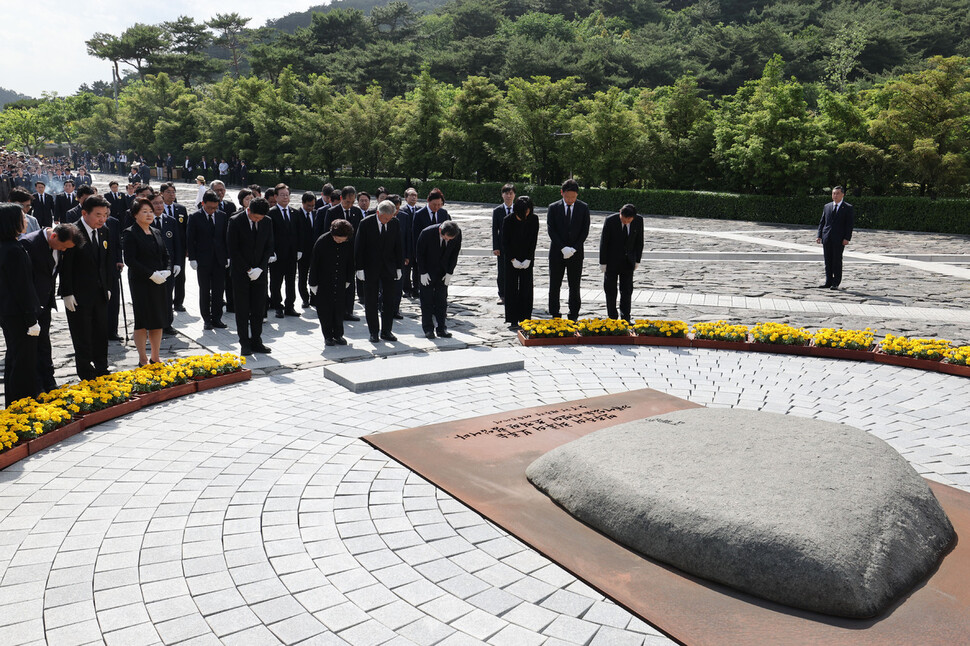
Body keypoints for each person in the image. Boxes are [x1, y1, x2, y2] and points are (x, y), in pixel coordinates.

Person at [21, 223, 81, 392]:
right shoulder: (29, 243)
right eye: (62, 247)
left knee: (44, 343)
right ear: (54, 236)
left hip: (45, 301)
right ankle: (36, 384)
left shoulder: (60, 246)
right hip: (30, 303)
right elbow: (24, 279)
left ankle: (49, 381)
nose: (63, 251)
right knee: (32, 346)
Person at [59, 195, 112, 381]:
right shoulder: (73, 231)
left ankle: (102, 367)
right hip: (79, 295)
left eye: (105, 214)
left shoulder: (104, 230)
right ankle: (86, 373)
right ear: (84, 213)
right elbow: (66, 266)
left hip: (99, 292)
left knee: (101, 332)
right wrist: (66, 292)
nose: (102, 219)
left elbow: (104, 263)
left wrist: (106, 286)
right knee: (83, 334)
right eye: (98, 214)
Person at [0, 203, 41, 406]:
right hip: (19, 314)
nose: (26, 221)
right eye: (23, 218)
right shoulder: (15, 250)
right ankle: (23, 404)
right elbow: (22, 287)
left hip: (8, 312)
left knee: (14, 358)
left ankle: (13, 403)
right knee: (24, 361)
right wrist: (31, 318)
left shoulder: (7, 246)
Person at [124, 198, 170, 366]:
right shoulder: (130, 233)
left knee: (158, 319)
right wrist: (150, 274)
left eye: (150, 211)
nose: (149, 214)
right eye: (144, 211)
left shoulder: (156, 231)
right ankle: (143, 358)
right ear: (135, 215)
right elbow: (130, 260)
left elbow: (166, 255)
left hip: (159, 281)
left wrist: (168, 269)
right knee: (142, 320)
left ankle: (155, 356)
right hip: (141, 282)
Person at [227, 197, 275, 355]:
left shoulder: (267, 221)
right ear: (249, 210)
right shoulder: (235, 221)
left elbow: (269, 246)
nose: (258, 220)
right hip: (241, 272)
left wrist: (261, 268)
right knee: (242, 309)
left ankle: (257, 340)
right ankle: (244, 342)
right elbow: (233, 249)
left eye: (260, 218)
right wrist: (248, 269)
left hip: (260, 273)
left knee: (258, 308)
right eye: (255, 217)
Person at [355, 200, 403, 343]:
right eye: (384, 218)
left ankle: (386, 331)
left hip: (388, 268)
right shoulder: (365, 223)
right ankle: (373, 332)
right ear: (378, 213)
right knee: (371, 301)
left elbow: (398, 246)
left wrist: (399, 267)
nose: (387, 221)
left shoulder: (395, 223)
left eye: (390, 218)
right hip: (370, 268)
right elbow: (359, 247)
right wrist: (359, 268)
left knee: (389, 300)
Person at [547, 178, 590, 321]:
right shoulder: (553, 207)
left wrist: (573, 248)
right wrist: (562, 247)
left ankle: (574, 314)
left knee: (574, 284)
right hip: (557, 252)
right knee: (555, 284)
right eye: (567, 196)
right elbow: (551, 230)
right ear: (562, 193)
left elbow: (584, 231)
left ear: (577, 195)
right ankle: (555, 313)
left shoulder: (583, 208)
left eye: (573, 197)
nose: (570, 199)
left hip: (576, 253)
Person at [309, 219, 355, 346]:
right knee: (325, 310)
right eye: (338, 239)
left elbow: (351, 263)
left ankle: (338, 334)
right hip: (324, 281)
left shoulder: (348, 242)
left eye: (343, 239)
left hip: (340, 280)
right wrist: (313, 283)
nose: (340, 241)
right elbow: (314, 264)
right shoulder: (322, 242)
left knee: (339, 309)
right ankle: (328, 336)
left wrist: (348, 279)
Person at [187, 190, 229, 330]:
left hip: (219, 259)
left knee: (218, 290)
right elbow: (190, 239)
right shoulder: (194, 217)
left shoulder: (222, 216)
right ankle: (207, 319)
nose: (212, 210)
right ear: (203, 203)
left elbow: (225, 238)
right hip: (203, 260)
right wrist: (192, 258)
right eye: (210, 207)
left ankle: (217, 318)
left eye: (215, 207)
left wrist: (227, 256)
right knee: (205, 290)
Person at [415, 220, 461, 339]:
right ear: (441, 231)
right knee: (427, 301)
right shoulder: (426, 233)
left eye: (450, 239)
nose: (448, 241)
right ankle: (428, 329)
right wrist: (423, 272)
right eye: (446, 238)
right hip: (428, 271)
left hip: (443, 272)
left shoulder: (457, 234)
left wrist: (449, 272)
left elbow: (454, 254)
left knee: (442, 301)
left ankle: (441, 328)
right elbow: (419, 254)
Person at [599, 203, 644, 322]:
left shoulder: (639, 220)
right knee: (610, 290)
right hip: (611, 261)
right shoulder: (610, 220)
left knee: (627, 290)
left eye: (629, 220)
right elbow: (604, 242)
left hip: (628, 261)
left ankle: (625, 317)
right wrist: (603, 262)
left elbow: (639, 241)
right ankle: (612, 317)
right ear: (620, 213)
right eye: (624, 219)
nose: (626, 222)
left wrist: (637, 260)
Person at [325, 186, 364, 320]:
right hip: (336, 252)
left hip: (351, 253)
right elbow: (327, 233)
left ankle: (348, 311)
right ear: (341, 198)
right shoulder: (332, 212)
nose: (350, 205)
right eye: (347, 202)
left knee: (350, 282)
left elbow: (359, 233)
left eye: (353, 202)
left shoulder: (356, 212)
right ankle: (336, 310)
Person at [502, 195, 539, 329]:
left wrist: (529, 258)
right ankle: (512, 319)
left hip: (527, 259)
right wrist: (512, 259)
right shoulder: (508, 220)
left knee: (526, 288)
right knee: (511, 287)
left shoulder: (534, 219)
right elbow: (505, 242)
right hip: (512, 259)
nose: (526, 214)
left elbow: (533, 241)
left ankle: (525, 318)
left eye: (528, 211)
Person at [268, 183, 303, 318]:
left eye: (287, 195)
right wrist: (271, 252)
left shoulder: (295, 213)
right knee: (276, 282)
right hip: (277, 255)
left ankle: (290, 306)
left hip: (291, 254)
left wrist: (299, 249)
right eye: (282, 195)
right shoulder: (271, 213)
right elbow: (269, 235)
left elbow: (300, 233)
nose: (285, 197)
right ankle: (277, 306)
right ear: (276, 197)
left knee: (290, 281)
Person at [150, 192, 182, 336]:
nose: (159, 206)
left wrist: (178, 263)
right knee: (154, 297)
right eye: (155, 203)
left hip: (168, 266)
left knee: (168, 295)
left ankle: (167, 324)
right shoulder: (147, 221)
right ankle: (155, 324)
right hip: (152, 266)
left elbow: (177, 243)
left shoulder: (171, 221)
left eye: (161, 202)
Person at [816, 186, 854, 290]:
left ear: (843, 195)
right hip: (827, 237)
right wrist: (819, 235)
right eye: (833, 193)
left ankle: (836, 282)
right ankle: (828, 281)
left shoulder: (847, 208)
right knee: (827, 260)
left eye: (837, 193)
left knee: (836, 260)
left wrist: (847, 238)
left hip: (839, 238)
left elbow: (849, 224)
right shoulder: (827, 206)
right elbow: (822, 222)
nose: (835, 195)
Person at [159, 183, 188, 312]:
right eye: (168, 192)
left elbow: (186, 230)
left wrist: (187, 248)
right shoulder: (158, 209)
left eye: (173, 192)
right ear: (162, 193)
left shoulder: (181, 209)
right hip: (164, 248)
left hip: (179, 248)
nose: (172, 195)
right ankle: (167, 301)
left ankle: (179, 302)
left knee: (180, 276)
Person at [492, 183, 515, 305]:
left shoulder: (518, 209)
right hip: (501, 246)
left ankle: (513, 294)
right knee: (502, 271)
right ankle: (502, 294)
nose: (509, 196)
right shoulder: (497, 211)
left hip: (515, 245)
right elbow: (495, 230)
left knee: (514, 270)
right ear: (502, 195)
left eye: (511, 193)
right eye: (506, 193)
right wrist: (495, 247)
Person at [297, 192, 319, 309]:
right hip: (303, 251)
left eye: (313, 205)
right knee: (302, 276)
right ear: (303, 203)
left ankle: (314, 297)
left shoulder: (316, 214)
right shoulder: (297, 214)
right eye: (308, 205)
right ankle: (305, 299)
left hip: (314, 251)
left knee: (314, 275)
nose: (311, 208)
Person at [398, 188, 420, 298]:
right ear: (406, 198)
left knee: (418, 269)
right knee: (406, 269)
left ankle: (416, 289)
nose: (414, 197)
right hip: (407, 243)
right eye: (411, 195)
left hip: (417, 243)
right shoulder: (402, 211)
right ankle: (406, 289)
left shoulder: (420, 210)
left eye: (415, 195)